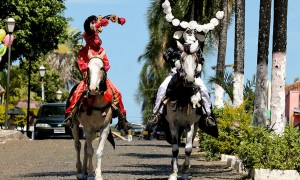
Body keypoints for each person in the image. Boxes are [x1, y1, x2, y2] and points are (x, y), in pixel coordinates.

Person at [65, 14, 130, 131]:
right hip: (88, 79)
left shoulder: (101, 50)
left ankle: (122, 119)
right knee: (76, 94)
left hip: (102, 78)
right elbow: (82, 64)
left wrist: (102, 70)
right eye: (94, 38)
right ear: (89, 39)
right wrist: (87, 70)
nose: (97, 40)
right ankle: (70, 116)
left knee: (118, 93)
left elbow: (107, 64)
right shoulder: (84, 51)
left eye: (97, 37)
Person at [148, 43, 213, 125]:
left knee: (204, 89)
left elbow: (201, 60)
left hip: (192, 74)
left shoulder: (196, 48)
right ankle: (156, 113)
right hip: (175, 73)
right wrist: (174, 58)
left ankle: (207, 114)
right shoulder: (175, 46)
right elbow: (166, 56)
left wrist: (198, 64)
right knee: (162, 87)